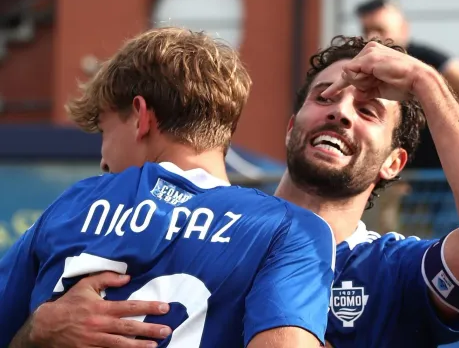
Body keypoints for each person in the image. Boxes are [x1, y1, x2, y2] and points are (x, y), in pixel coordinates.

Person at [0, 27, 335, 348]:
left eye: (104, 132)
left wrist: (37, 331)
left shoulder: (73, 204)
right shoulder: (291, 232)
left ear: (141, 116)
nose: (102, 160)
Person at [276, 35, 459, 347]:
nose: (341, 113)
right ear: (290, 129)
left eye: (367, 111)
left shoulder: (395, 271)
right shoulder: (211, 228)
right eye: (324, 98)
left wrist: (426, 81)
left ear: (393, 163)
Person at [355, 0, 459, 169]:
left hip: (438, 174)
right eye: (367, 30)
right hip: (394, 170)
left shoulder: (428, 61)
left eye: (380, 29)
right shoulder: (362, 65)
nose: (372, 38)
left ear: (403, 29)